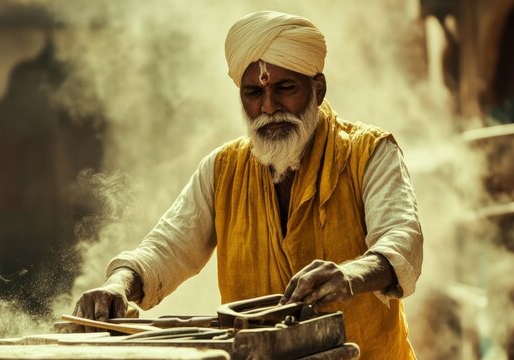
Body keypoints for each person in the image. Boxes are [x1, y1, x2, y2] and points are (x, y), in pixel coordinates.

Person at [73, 10, 423, 358]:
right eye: (253, 92)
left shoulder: (370, 152)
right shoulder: (222, 168)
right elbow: (167, 247)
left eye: (285, 88)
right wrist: (118, 285)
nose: (269, 107)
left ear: (317, 88)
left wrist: (351, 275)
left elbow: (401, 241)